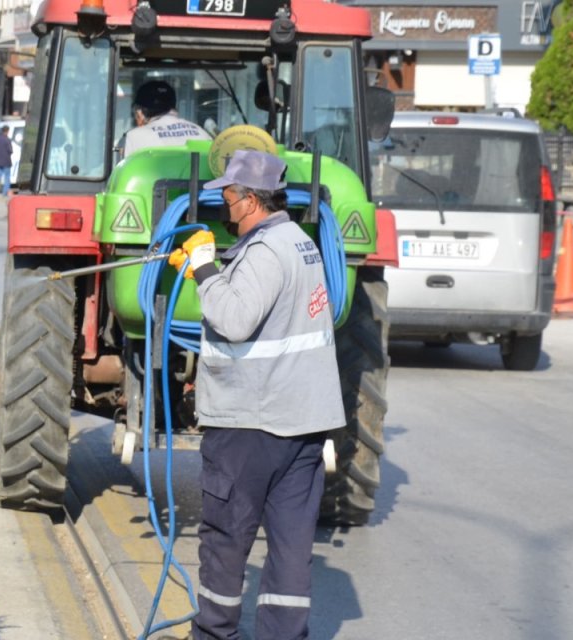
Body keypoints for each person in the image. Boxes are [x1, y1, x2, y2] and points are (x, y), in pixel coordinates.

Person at [177, 150, 344, 640]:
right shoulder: (300, 243)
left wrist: (205, 270)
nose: (224, 207)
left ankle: (214, 634)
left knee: (226, 540)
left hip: (252, 424)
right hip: (302, 423)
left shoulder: (264, 251)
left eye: (228, 196)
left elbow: (234, 321)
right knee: (292, 547)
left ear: (249, 200)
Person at [122, 80, 211, 157]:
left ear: (140, 112)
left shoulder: (134, 137)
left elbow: (122, 174)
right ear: (174, 107)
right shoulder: (202, 133)